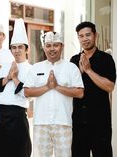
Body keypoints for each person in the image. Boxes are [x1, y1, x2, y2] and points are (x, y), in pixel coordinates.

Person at [24, 31, 84, 157]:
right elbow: (27, 92)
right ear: (44, 47)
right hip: (41, 123)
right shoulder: (36, 68)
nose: (52, 49)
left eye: (56, 45)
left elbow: (79, 92)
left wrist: (57, 86)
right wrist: (47, 87)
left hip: (63, 122)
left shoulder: (71, 67)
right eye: (48, 45)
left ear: (62, 46)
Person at [70, 21, 116, 157]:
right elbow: (70, 88)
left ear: (96, 36)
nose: (85, 39)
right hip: (78, 121)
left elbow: (109, 86)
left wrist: (89, 71)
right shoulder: (74, 60)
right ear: (78, 38)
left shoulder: (106, 59)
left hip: (100, 121)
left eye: (88, 35)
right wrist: (79, 72)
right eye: (81, 36)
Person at [0, 18, 32, 157]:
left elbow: (28, 94)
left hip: (18, 114)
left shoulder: (31, 69)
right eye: (14, 47)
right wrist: (8, 77)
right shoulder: (6, 66)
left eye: (20, 47)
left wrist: (14, 78)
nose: (17, 50)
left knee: (18, 151)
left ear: (27, 49)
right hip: (1, 113)